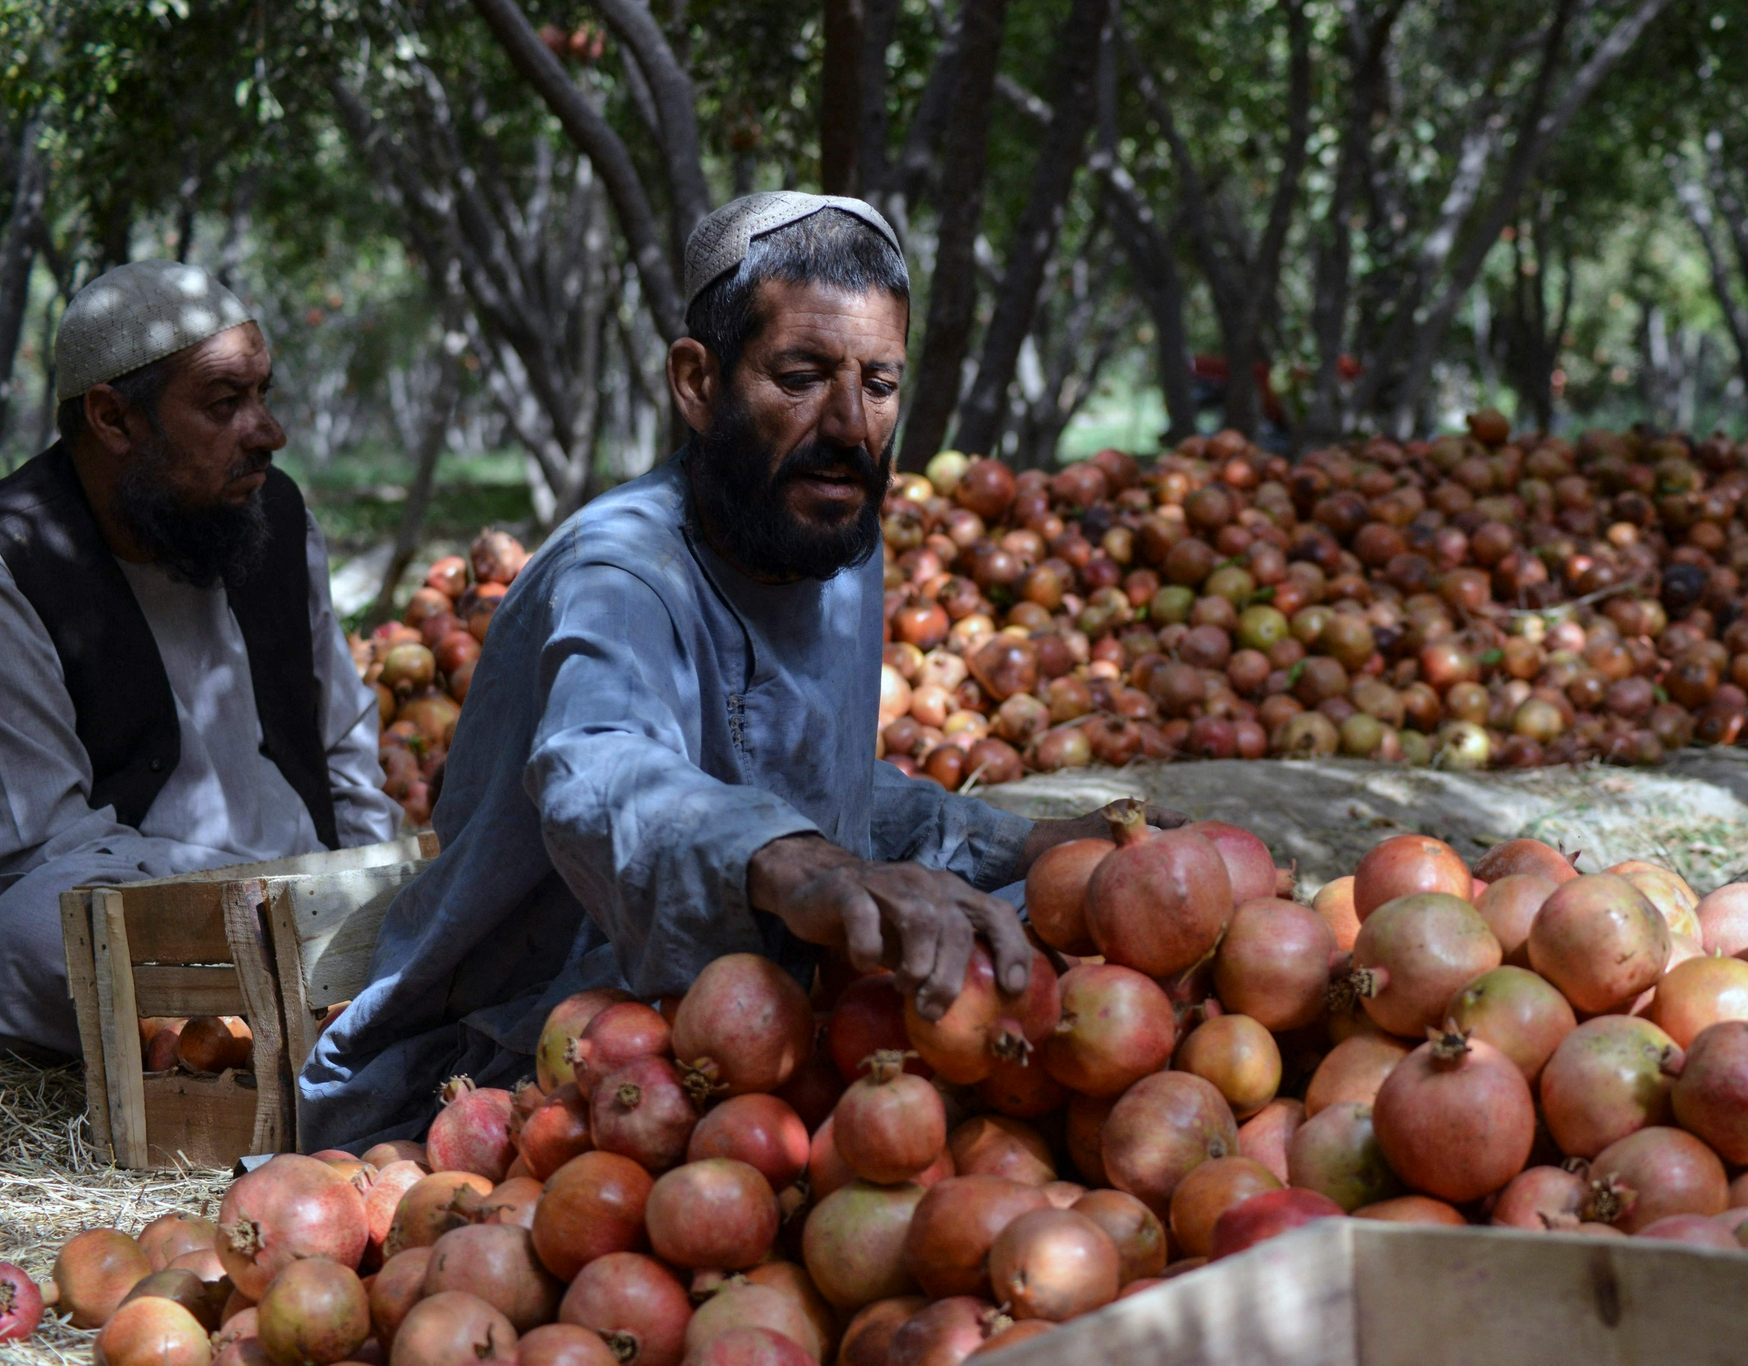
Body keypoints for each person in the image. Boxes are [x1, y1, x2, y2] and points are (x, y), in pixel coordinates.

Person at [301, 193, 1179, 1150]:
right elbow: (596, 767)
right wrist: (804, 867)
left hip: (777, 1031)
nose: (849, 425)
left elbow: (814, 788)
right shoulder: (620, 572)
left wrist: (1030, 846)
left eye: (880, 384)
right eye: (801, 377)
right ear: (697, 382)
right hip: (547, 1050)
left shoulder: (832, 538)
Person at [0, 261, 402, 1057]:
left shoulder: (273, 514)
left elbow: (346, 746)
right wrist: (254, 899)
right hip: (142, 905)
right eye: (225, 405)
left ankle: (292, 990)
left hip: (309, 889)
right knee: (33, 933)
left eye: (263, 395)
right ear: (113, 419)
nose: (268, 433)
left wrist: (380, 887)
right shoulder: (19, 560)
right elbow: (44, 848)